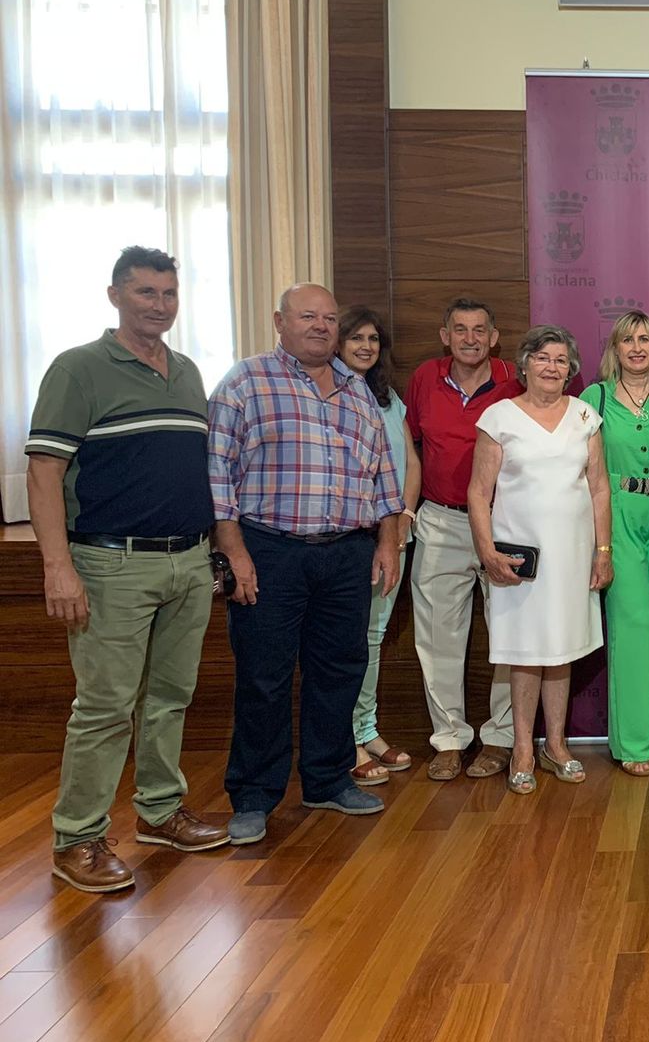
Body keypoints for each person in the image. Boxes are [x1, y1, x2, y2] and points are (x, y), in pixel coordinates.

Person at [26, 246, 226, 892]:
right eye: (145, 293)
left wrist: (212, 555)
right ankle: (76, 838)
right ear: (114, 296)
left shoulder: (188, 372)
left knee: (169, 697)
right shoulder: (79, 369)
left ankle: (160, 812)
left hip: (188, 561)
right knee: (106, 705)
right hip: (111, 563)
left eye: (168, 294)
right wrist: (58, 567)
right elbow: (43, 471)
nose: (159, 305)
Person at [209, 284, 404, 845]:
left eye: (329, 318)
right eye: (307, 316)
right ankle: (253, 795)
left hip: (347, 551)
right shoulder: (245, 381)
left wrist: (387, 542)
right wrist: (233, 549)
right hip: (270, 549)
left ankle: (326, 779)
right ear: (279, 321)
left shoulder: (357, 390)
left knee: (339, 668)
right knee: (264, 677)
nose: (321, 326)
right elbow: (218, 473)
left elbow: (383, 474)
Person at [469, 326, 611, 793]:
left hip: (572, 556)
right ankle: (523, 748)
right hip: (519, 562)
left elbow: (598, 488)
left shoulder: (586, 416)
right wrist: (486, 550)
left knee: (562, 649)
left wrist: (603, 552)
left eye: (561, 360)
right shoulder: (498, 417)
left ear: (571, 369)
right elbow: (479, 491)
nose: (552, 367)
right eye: (543, 358)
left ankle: (557, 744)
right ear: (525, 363)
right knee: (526, 654)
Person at [405, 298, 523, 782]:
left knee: (511, 635)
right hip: (440, 520)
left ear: (494, 336)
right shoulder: (423, 379)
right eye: (460, 329)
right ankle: (449, 739)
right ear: (445, 335)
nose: (470, 338)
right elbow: (412, 446)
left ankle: (500, 738)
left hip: (506, 521)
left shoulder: (517, 379)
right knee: (438, 638)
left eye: (479, 329)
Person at [579, 311, 649, 776]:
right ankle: (634, 744)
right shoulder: (592, 398)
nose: (636, 347)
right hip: (615, 518)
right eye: (627, 340)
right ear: (614, 349)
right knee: (633, 624)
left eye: (645, 338)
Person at [337, 307, 421, 786]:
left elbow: (411, 460)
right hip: (352, 536)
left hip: (394, 534)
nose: (366, 346)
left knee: (372, 638)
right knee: (347, 640)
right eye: (355, 338)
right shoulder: (328, 393)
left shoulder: (387, 398)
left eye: (372, 339)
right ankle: (344, 737)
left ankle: (366, 728)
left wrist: (405, 516)